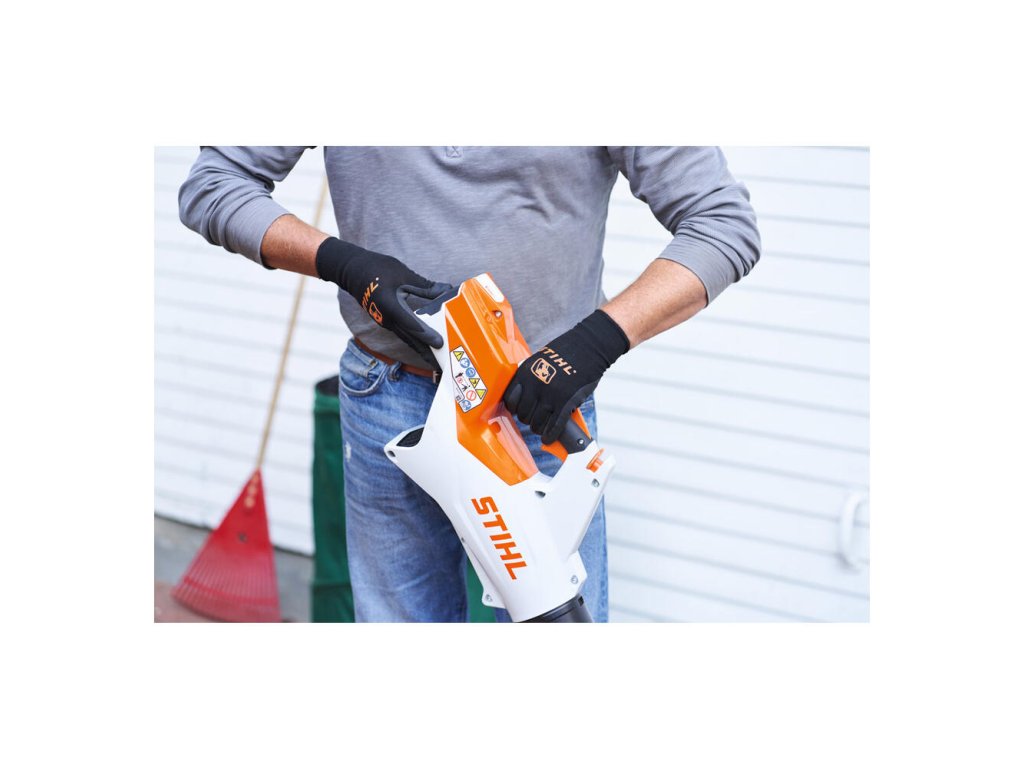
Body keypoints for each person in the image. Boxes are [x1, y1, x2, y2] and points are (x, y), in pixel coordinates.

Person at [179, 146, 760, 622]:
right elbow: (215, 183)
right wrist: (343, 262)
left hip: (535, 413)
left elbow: (721, 224)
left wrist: (593, 344)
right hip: (388, 395)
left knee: (554, 627)